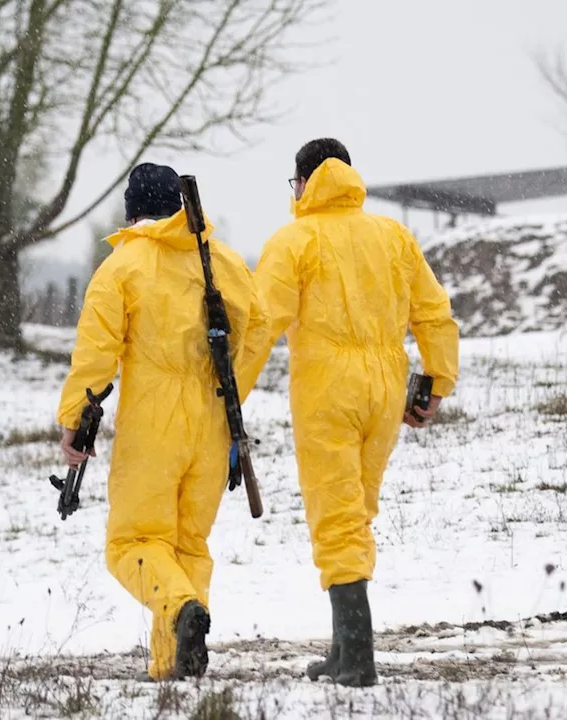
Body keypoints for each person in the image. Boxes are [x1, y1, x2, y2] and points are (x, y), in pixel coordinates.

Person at [240, 138, 459, 687]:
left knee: (336, 515)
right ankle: (344, 649)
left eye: (295, 184)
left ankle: (356, 656)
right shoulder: (393, 236)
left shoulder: (293, 241)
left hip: (326, 390)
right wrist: (434, 381)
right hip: (385, 387)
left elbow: (262, 322)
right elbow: (433, 311)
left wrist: (229, 396)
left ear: (305, 182)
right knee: (356, 509)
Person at [56, 162, 268, 681]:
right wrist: (227, 383)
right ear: (180, 206)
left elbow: (95, 356)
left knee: (132, 544)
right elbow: (257, 326)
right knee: (186, 544)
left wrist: (73, 422)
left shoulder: (123, 266)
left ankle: (178, 609)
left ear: (133, 212)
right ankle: (172, 662)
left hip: (154, 420)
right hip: (214, 419)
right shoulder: (219, 260)